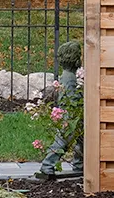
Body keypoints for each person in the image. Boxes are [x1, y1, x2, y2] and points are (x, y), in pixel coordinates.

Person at [35, 40, 83, 180]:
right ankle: (47, 166)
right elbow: (71, 97)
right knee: (62, 141)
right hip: (70, 115)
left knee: (81, 140)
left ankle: (80, 164)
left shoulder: (68, 74)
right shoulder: (69, 77)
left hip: (73, 115)